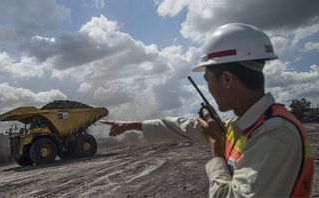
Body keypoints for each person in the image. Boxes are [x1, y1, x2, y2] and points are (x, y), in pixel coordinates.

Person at [100, 23, 313, 197]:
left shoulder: (276, 133)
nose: (209, 88)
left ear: (227, 78)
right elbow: (181, 126)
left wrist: (216, 152)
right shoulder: (244, 127)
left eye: (208, 80)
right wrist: (131, 125)